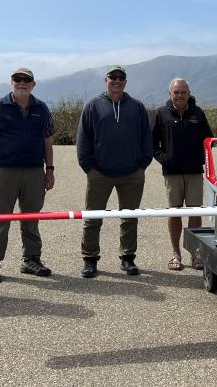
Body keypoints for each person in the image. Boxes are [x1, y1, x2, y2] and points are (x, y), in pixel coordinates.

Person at [0, 68, 56, 283]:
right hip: (5, 170)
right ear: (11, 82)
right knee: (1, 218)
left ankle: (31, 260)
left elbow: (47, 141)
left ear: (33, 84)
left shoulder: (42, 108)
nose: (22, 83)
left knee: (31, 218)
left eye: (26, 80)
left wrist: (49, 170)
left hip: (34, 171)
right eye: (17, 79)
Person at [77, 66, 153, 277]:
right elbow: (83, 139)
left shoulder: (136, 107)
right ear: (106, 80)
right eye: (113, 77)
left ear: (126, 81)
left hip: (132, 174)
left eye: (121, 77)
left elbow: (146, 137)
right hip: (99, 173)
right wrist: (89, 168)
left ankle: (127, 258)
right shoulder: (92, 106)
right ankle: (90, 259)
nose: (117, 81)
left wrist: (142, 165)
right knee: (93, 218)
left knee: (129, 218)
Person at [152, 78, 214, 271]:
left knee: (195, 212)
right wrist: (164, 159)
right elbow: (152, 143)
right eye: (176, 92)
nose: (180, 95)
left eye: (183, 92)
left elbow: (209, 140)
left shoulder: (198, 113)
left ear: (189, 93)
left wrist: (202, 160)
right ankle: (175, 253)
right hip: (172, 173)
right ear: (170, 94)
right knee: (175, 212)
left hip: (194, 172)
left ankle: (195, 255)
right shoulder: (161, 114)